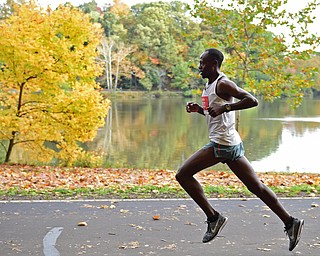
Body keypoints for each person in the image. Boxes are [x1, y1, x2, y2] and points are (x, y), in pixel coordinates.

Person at [175, 48, 304, 251]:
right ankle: (290, 222)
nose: (199, 67)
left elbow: (252, 100)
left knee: (183, 175)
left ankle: (213, 217)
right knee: (256, 187)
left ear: (215, 63)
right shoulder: (209, 85)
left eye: (203, 63)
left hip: (222, 144)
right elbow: (215, 114)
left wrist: (227, 107)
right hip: (231, 142)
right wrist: (199, 110)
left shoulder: (223, 83)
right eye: (199, 63)